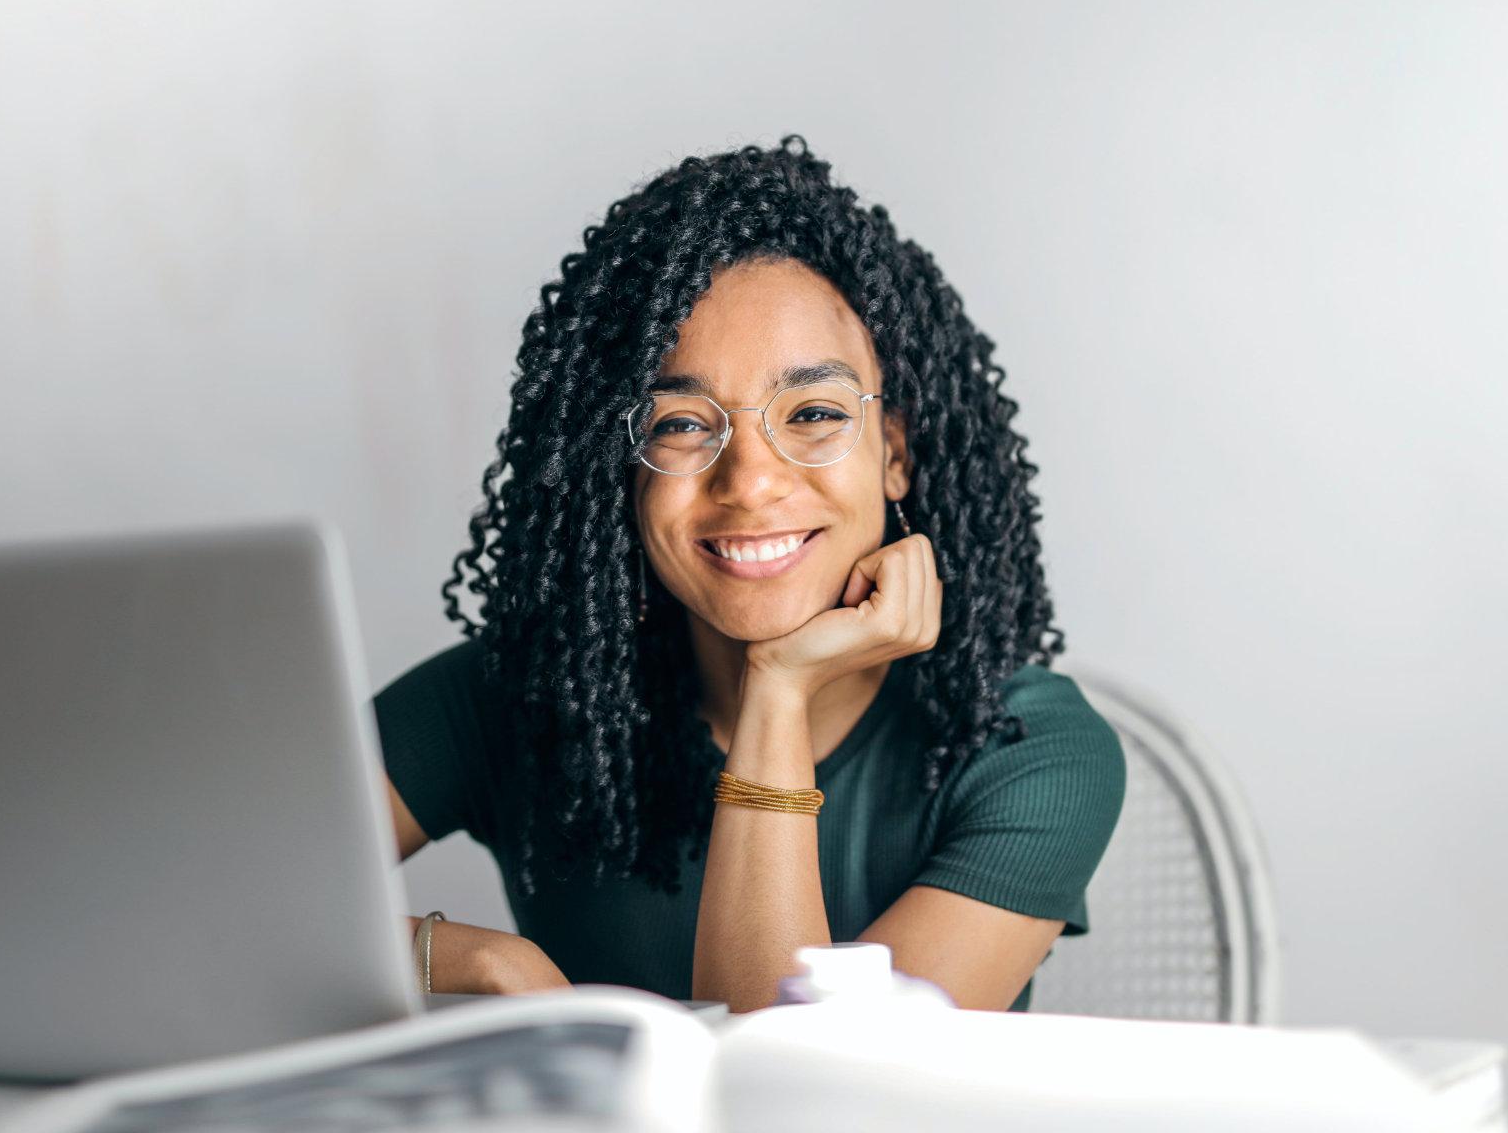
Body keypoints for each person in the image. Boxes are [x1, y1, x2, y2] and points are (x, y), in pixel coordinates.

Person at [373, 135, 1124, 1012]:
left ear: (896, 453)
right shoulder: (519, 695)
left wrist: (779, 689)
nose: (752, 481)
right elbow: (196, 905)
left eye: (811, 412)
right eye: (681, 425)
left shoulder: (1026, 749)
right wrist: (474, 961)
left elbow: (800, 1097)